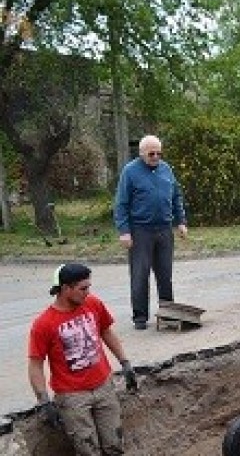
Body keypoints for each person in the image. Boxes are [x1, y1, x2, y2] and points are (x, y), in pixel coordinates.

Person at [28, 263, 139, 455]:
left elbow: (106, 332)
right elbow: (35, 364)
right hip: (72, 397)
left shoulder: (93, 304)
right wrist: (44, 401)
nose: (87, 292)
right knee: (88, 450)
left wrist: (125, 362)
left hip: (103, 386)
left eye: (88, 287)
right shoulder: (44, 324)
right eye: (83, 288)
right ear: (65, 288)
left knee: (114, 444)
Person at [114, 135, 188, 330]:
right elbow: (121, 203)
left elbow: (176, 196)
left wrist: (181, 221)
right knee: (140, 274)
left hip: (164, 229)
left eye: (158, 153)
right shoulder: (130, 172)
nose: (155, 157)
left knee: (165, 275)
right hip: (140, 231)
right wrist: (124, 231)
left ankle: (168, 313)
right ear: (141, 153)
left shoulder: (166, 169)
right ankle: (140, 317)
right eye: (151, 153)